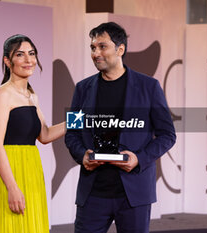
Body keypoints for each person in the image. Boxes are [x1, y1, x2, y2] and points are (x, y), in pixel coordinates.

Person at [65, 22, 176, 233]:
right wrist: (83, 155)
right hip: (93, 194)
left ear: (120, 49)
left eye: (102, 46)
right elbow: (72, 133)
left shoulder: (149, 87)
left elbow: (167, 135)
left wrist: (139, 159)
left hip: (134, 195)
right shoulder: (82, 89)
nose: (96, 53)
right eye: (93, 47)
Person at [0, 34, 66, 233]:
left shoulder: (32, 95)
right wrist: (12, 187)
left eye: (31, 54)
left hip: (31, 171)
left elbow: (45, 135)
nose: (28, 60)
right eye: (20, 55)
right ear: (8, 61)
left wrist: (78, 121)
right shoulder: (3, 93)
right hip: (8, 173)